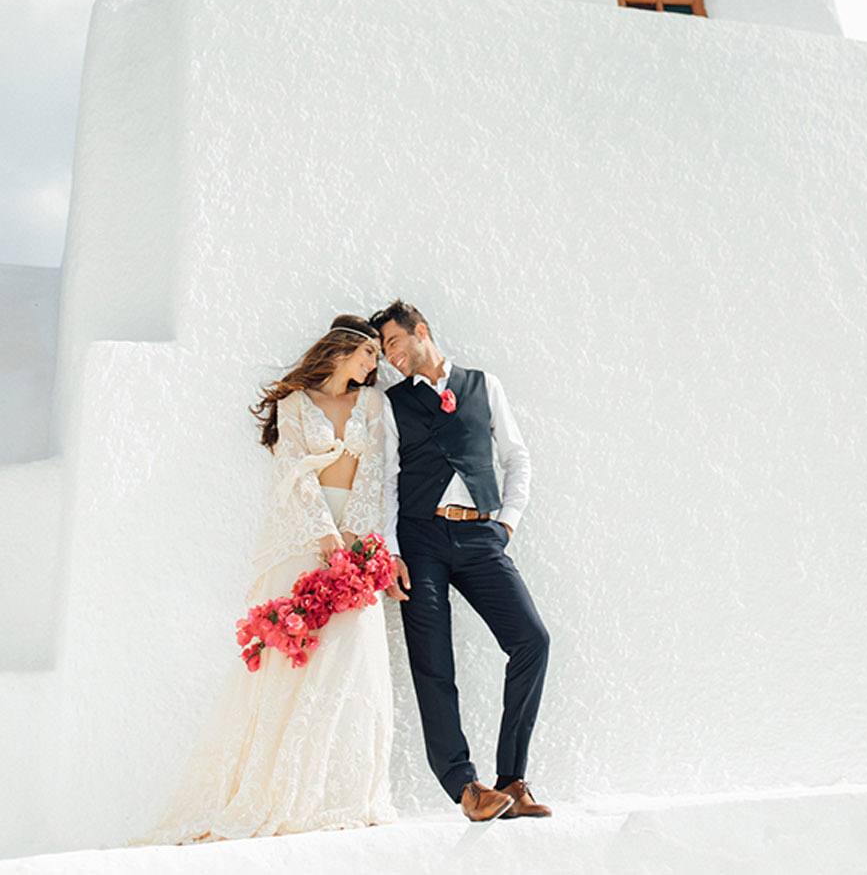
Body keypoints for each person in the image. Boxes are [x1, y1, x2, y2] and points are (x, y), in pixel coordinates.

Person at [131, 315, 397, 845]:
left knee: (352, 662)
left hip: (355, 541)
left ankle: (338, 792)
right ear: (344, 349)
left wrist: (355, 542)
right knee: (294, 659)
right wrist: (324, 535)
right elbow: (292, 474)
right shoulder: (294, 406)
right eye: (369, 354)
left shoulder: (372, 405)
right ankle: (273, 789)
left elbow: (375, 472)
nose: (374, 365)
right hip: (304, 540)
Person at [370, 299, 552, 824]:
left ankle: (511, 779)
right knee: (433, 661)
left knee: (531, 640)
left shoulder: (483, 385)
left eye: (395, 344)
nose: (391, 357)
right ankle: (465, 787)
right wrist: (393, 551)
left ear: (420, 331)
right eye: (384, 351)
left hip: (479, 537)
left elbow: (516, 457)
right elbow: (386, 480)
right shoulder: (391, 402)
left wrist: (507, 521)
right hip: (420, 540)